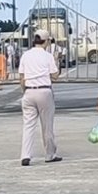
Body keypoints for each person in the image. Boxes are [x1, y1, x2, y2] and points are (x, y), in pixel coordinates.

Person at [17, 33, 61, 166]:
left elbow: (22, 77)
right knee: (47, 125)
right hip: (44, 90)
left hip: (29, 91)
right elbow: (55, 76)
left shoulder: (26, 55)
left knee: (28, 126)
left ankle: (25, 155)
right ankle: (49, 154)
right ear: (46, 41)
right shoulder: (47, 56)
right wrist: (57, 61)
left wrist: (25, 91)